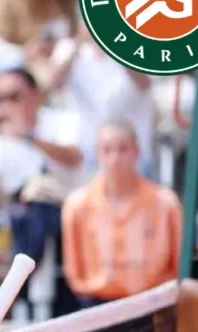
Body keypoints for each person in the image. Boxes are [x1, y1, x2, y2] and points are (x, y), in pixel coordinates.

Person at [62, 119, 182, 308]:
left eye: (123, 149)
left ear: (137, 152)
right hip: (96, 303)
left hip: (152, 303)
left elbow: (177, 264)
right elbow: (74, 270)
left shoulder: (165, 203)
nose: (115, 159)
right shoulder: (77, 205)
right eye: (107, 150)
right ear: (97, 155)